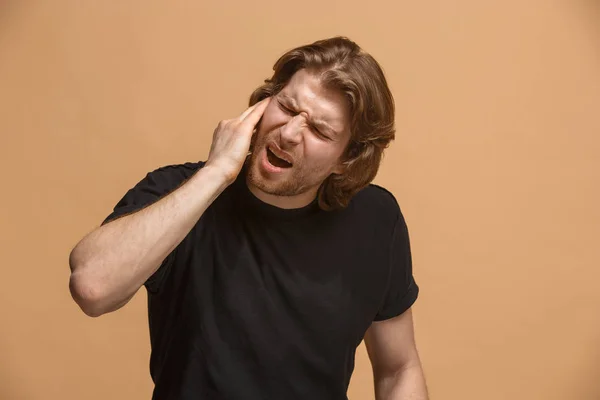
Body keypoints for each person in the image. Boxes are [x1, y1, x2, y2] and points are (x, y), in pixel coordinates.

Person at [68, 36, 429, 400]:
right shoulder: (179, 194)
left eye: (319, 130)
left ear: (346, 160)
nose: (288, 134)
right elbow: (92, 287)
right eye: (286, 107)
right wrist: (217, 171)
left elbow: (399, 368)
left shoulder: (376, 221)